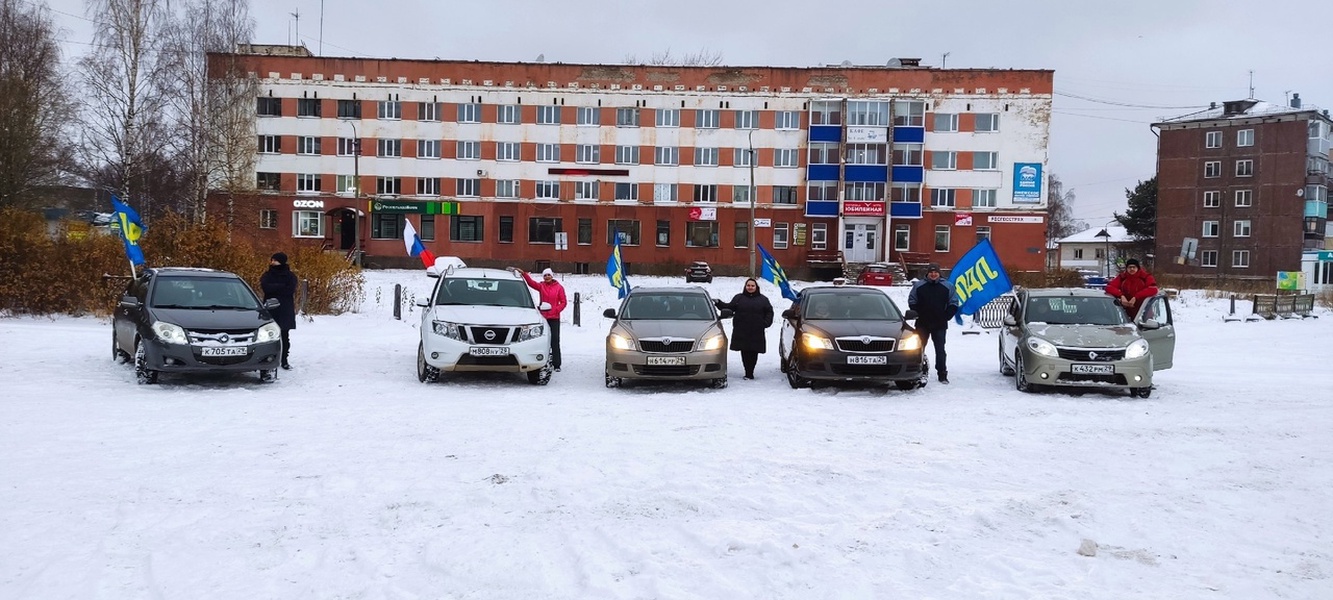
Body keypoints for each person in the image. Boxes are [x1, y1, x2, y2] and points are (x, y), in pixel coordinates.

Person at [908, 263, 960, 384]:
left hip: (939, 324)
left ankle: (942, 374)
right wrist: (918, 312)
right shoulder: (919, 285)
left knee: (940, 350)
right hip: (922, 323)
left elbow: (954, 302)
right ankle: (917, 371)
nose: (933, 274)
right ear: (927, 273)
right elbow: (912, 300)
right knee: (918, 349)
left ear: (939, 273)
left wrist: (946, 316)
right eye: (931, 272)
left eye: (935, 272)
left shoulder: (948, 286)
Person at [714, 278, 774, 380]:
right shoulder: (739, 298)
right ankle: (747, 372)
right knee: (745, 351)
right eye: (748, 285)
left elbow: (769, 312)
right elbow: (729, 307)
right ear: (745, 287)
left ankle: (751, 372)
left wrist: (765, 323)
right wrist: (718, 303)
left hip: (757, 331)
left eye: (752, 286)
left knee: (754, 352)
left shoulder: (763, 300)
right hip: (742, 330)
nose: (750, 287)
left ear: (756, 287)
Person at [512, 266, 568, 371]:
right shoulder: (541, 286)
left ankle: (557, 364)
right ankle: (543, 360)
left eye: (548, 275)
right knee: (542, 340)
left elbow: (564, 302)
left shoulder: (559, 287)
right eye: (545, 275)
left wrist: (555, 310)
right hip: (543, 317)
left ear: (552, 276)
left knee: (555, 340)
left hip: (554, 318)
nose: (547, 277)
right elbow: (531, 283)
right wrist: (524, 274)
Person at [260, 252, 298, 370]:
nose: (272, 262)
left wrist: (275, 288)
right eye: (272, 260)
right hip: (270, 309)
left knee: (284, 336)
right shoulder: (267, 275)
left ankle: (284, 360)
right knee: (268, 336)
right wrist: (281, 286)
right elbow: (266, 287)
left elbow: (290, 289)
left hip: (285, 309)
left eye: (275, 260)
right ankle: (268, 359)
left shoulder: (290, 276)